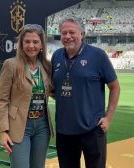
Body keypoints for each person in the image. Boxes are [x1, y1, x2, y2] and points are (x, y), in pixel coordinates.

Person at [51, 17, 120, 168]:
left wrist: (108, 118)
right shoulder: (56, 56)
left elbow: (115, 87)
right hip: (64, 130)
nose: (68, 36)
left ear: (82, 34)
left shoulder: (98, 55)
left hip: (92, 129)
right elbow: (54, 89)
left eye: (72, 32)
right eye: (64, 33)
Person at [0, 24, 53, 168]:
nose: (31, 45)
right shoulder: (11, 64)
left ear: (42, 45)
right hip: (19, 124)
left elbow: (54, 92)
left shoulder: (47, 66)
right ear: (21, 44)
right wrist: (3, 131)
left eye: (35, 42)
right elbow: (3, 100)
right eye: (27, 41)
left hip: (42, 125)